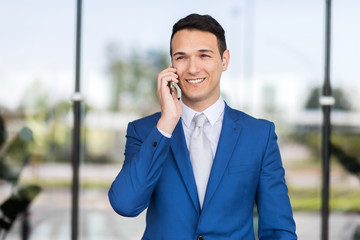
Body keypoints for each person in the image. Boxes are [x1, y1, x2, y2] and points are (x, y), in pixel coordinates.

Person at [109, 13, 297, 240]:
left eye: (204, 55)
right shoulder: (145, 131)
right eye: (181, 57)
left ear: (224, 60)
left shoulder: (259, 135)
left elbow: (278, 229)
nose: (193, 68)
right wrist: (167, 123)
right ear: (171, 65)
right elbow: (125, 204)